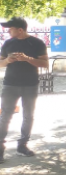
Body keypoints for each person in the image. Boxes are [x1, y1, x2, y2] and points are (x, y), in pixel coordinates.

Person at [0, 17, 48, 160]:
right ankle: (0, 147)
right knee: (5, 116)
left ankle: (22, 145)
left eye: (11, 28)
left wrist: (27, 58)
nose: (8, 31)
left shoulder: (37, 43)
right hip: (10, 85)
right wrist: (7, 60)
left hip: (30, 85)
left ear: (20, 30)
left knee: (28, 116)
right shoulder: (8, 43)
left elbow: (45, 63)